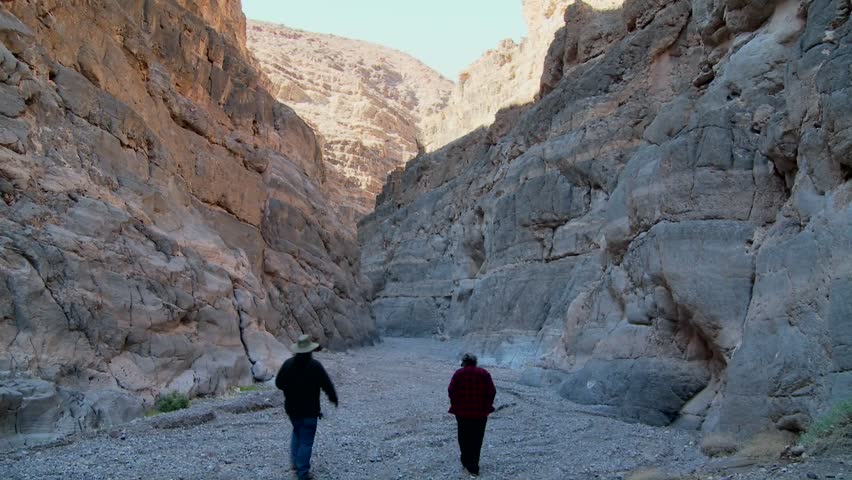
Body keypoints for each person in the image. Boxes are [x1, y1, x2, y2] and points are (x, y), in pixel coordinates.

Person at [275, 334, 338, 480]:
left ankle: (296, 464)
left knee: (297, 432)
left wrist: (289, 389)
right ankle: (302, 473)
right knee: (306, 441)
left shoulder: (288, 364)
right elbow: (327, 384)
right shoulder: (315, 366)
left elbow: (279, 383)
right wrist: (333, 398)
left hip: (292, 409)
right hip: (310, 411)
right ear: (310, 351)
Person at [448, 353, 496, 476]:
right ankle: (474, 465)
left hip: (462, 412)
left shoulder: (459, 373)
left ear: (464, 362)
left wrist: (456, 404)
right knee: (477, 438)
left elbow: (451, 390)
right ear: (475, 362)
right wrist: (487, 406)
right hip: (480, 413)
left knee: (463, 437)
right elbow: (491, 391)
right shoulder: (484, 373)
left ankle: (465, 460)